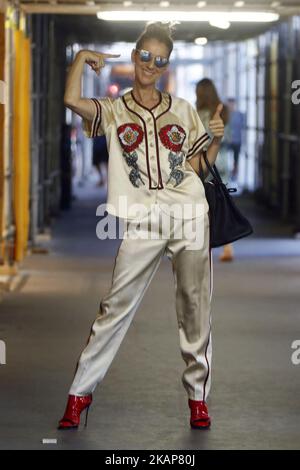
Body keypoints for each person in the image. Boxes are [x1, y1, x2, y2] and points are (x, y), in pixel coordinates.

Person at [59, 21, 224, 431]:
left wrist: (215, 138)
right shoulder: (115, 110)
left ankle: (197, 399)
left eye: (160, 59)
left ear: (167, 64)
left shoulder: (183, 109)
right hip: (142, 220)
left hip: (188, 214)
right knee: (115, 305)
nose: (151, 64)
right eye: (145, 55)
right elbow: (71, 100)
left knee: (194, 304)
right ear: (135, 56)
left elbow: (199, 167)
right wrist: (81, 59)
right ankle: (80, 394)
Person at [196, 78, 234, 262]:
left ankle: (206, 244)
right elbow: (231, 136)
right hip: (224, 160)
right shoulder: (223, 111)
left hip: (206, 160)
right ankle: (227, 246)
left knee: (205, 204)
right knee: (221, 202)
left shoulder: (198, 114)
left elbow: (198, 141)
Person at [226, 97, 246, 180]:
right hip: (227, 141)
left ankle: (234, 174)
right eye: (229, 104)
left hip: (237, 140)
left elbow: (243, 127)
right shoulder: (225, 115)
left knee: (236, 159)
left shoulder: (240, 115)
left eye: (232, 104)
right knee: (226, 157)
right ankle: (226, 173)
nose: (231, 106)